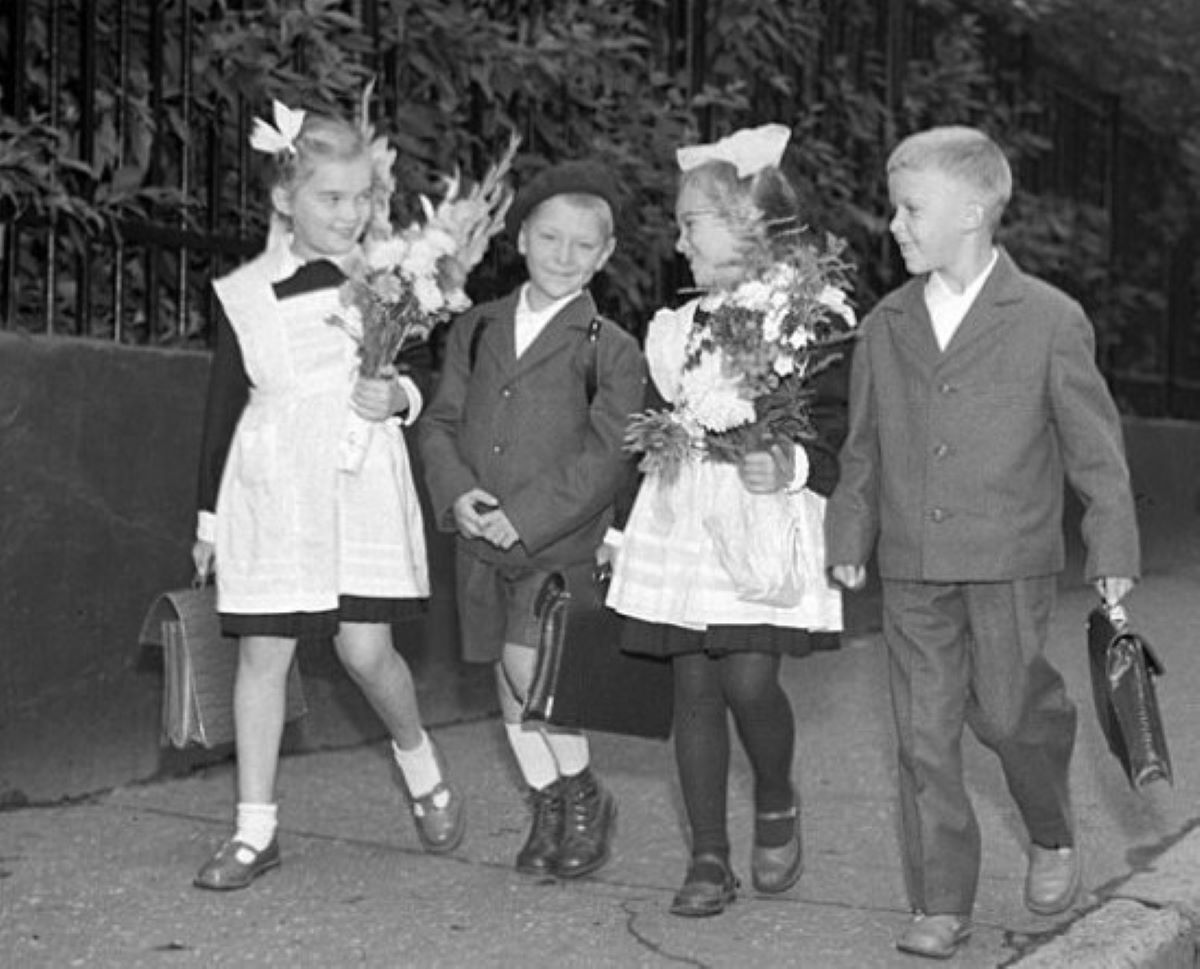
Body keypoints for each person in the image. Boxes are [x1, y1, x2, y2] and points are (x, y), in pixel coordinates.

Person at [825, 125, 1140, 959]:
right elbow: (862, 445)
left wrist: (1112, 553)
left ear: (973, 210)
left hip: (1009, 558)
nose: (893, 224)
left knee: (1008, 714)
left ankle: (1051, 827)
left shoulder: (1046, 318)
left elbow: (1095, 452)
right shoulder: (886, 323)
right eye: (895, 207)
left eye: (910, 208)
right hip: (913, 565)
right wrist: (849, 529)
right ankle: (939, 899)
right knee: (923, 735)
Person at [191, 105, 464, 891]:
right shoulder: (245, 294)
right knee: (263, 653)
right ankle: (254, 830)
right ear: (285, 201)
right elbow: (222, 406)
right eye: (329, 199)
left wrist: (401, 394)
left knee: (363, 650)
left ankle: (418, 759)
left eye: (360, 199)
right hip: (273, 483)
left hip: (356, 480)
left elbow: (441, 378)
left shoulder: (398, 276)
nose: (349, 215)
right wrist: (208, 519)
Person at [605, 124, 851, 918]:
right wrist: (620, 525)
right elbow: (651, 427)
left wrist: (791, 462)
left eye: (691, 223)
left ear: (749, 221)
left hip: (761, 513)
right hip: (685, 515)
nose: (677, 241)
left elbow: (841, 430)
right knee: (696, 685)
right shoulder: (676, 327)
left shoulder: (806, 314)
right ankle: (708, 855)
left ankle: (775, 793)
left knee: (749, 676)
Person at [418, 161, 647, 880]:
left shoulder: (610, 347)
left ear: (605, 256)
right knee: (505, 680)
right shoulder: (478, 328)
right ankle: (549, 803)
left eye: (584, 245)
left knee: (535, 670)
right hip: (481, 537)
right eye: (550, 237)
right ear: (521, 238)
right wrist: (457, 494)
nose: (564, 255)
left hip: (558, 542)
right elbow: (440, 421)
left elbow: (606, 455)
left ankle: (583, 796)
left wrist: (524, 517)